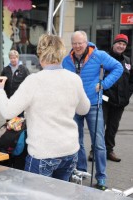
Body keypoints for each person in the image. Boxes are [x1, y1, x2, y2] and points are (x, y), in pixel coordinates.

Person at [0, 34, 90, 181]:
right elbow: (84, 109)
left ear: (40, 54)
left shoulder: (34, 81)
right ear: (62, 52)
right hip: (69, 151)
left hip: (43, 152)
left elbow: (8, 111)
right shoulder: (74, 78)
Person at [62, 30, 123, 190]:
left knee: (99, 143)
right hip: (74, 105)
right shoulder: (66, 60)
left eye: (80, 43)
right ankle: (82, 171)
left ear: (86, 42)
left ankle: (101, 177)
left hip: (93, 104)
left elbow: (118, 67)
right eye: (74, 43)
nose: (77, 46)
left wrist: (104, 85)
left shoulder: (99, 55)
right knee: (77, 141)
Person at [102, 34, 133, 162]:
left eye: (124, 44)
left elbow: (131, 81)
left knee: (113, 127)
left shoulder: (128, 61)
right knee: (99, 125)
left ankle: (109, 150)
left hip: (120, 102)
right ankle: (95, 150)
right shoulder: (105, 58)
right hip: (105, 100)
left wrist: (127, 96)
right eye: (119, 43)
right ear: (114, 44)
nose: (121, 46)